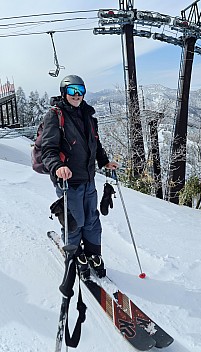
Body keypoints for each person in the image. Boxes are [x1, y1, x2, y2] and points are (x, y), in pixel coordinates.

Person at [40, 74, 118, 279]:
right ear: (64, 93)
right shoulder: (55, 116)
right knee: (74, 221)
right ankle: (74, 255)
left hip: (88, 178)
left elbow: (95, 144)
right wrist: (57, 166)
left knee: (92, 220)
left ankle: (93, 254)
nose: (77, 95)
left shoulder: (88, 116)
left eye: (81, 91)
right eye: (73, 91)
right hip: (68, 180)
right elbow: (48, 149)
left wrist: (104, 162)